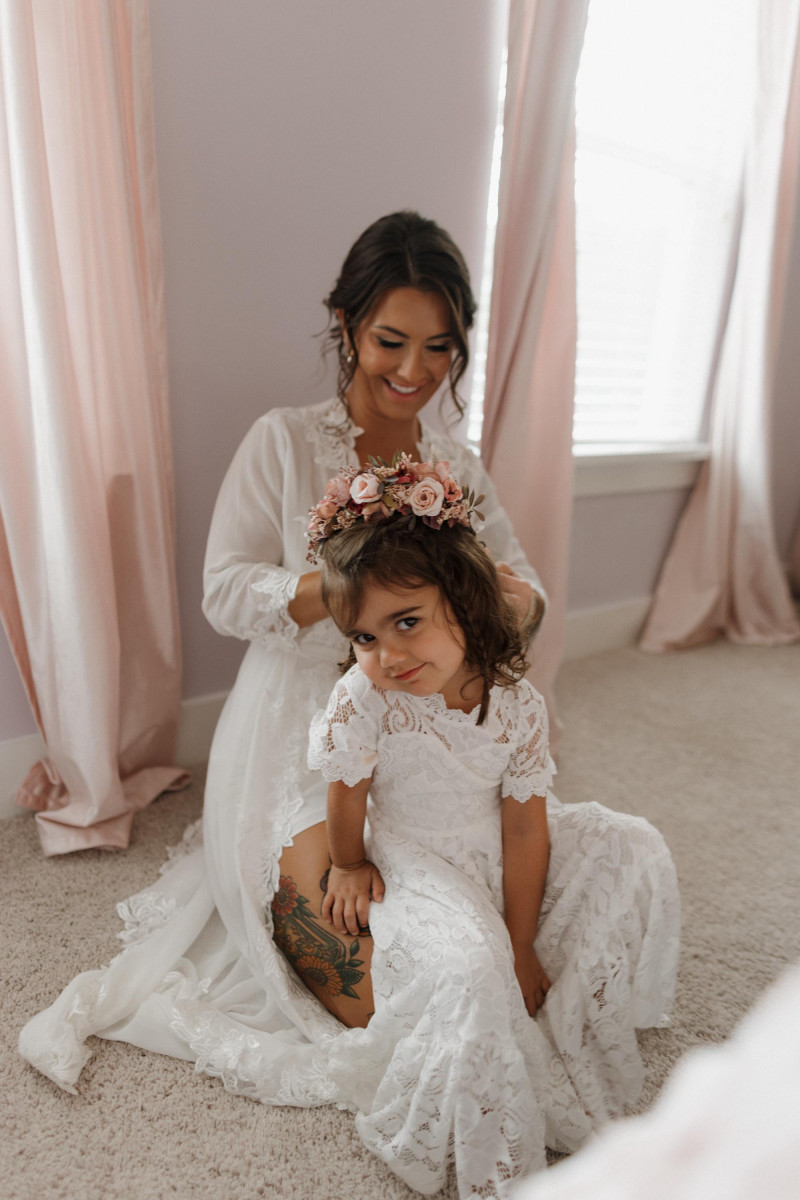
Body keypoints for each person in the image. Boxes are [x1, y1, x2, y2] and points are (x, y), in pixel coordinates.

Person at [18, 213, 678, 1175]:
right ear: (346, 326)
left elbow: (524, 596)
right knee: (405, 978)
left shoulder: (457, 469)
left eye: (441, 347)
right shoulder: (283, 443)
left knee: (606, 875)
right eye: (391, 341)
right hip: (303, 736)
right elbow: (223, 589)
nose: (416, 369)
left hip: (435, 751)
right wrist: (353, 588)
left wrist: (473, 595)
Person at [294, 455, 677, 1197]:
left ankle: (575, 994)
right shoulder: (365, 699)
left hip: (494, 842)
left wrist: (524, 941)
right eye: (364, 638)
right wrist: (347, 862)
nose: (386, 657)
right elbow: (348, 794)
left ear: (466, 605)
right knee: (474, 969)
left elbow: (527, 828)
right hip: (418, 857)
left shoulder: (517, 704)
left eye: (406, 624)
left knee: (633, 845)